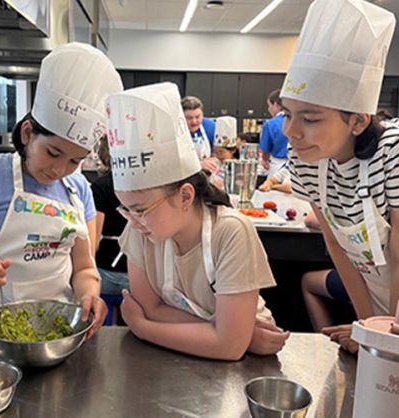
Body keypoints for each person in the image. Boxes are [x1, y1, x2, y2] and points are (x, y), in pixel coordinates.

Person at [0, 43, 115, 333]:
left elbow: (85, 268)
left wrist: (89, 294)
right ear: (28, 132)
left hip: (58, 332)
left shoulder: (79, 189)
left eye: (75, 160)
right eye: (52, 153)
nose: (60, 170)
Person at [285, 0, 399, 352]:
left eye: (310, 118)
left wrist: (394, 339)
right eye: (288, 114)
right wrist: (367, 328)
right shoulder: (304, 157)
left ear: (358, 120)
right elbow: (337, 246)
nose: (292, 131)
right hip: (377, 307)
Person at [110, 82, 288, 360]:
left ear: (184, 196)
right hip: (176, 359)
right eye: (126, 209)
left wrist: (144, 328)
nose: (133, 221)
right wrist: (229, 332)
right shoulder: (139, 228)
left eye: (141, 210)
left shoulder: (230, 232)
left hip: (249, 366)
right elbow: (150, 306)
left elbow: (229, 348)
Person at [91, 138, 128, 296]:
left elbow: (94, 241)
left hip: (105, 271)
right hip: (136, 273)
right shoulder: (143, 185)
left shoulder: (100, 187)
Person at [260, 89, 289, 176]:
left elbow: (265, 151)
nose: (269, 109)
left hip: (277, 166)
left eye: (269, 106)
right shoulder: (297, 121)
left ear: (275, 104)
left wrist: (264, 160)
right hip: (296, 167)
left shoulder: (270, 124)